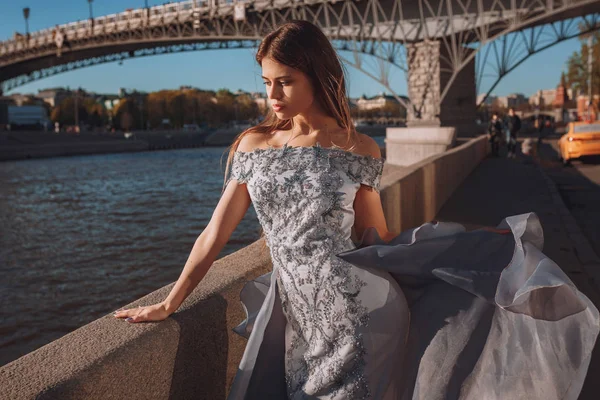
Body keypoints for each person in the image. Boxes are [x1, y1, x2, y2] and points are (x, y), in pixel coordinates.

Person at [114, 20, 599, 399]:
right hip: (299, 323)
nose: (272, 96)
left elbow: (381, 240)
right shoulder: (253, 146)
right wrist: (169, 302)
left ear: (317, 76)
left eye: (285, 82)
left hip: (360, 314)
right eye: (266, 83)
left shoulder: (360, 149)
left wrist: (473, 242)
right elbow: (213, 236)